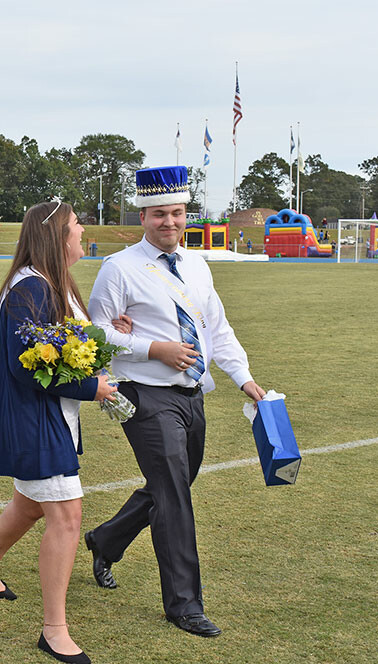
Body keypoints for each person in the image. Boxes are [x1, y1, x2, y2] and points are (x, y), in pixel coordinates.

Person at [84, 166, 266, 638]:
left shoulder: (198, 265)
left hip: (192, 393)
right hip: (144, 395)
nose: (169, 222)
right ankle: (184, 605)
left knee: (174, 486)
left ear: (187, 215)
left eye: (177, 213)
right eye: (159, 214)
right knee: (174, 496)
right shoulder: (119, 267)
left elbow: (216, 330)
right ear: (142, 217)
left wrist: (243, 378)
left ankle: (106, 539)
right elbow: (97, 332)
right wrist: (152, 348)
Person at [0, 201, 116, 664]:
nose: (82, 234)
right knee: (67, 516)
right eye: (76, 228)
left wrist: (104, 338)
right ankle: (54, 630)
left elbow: (64, 344)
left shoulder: (53, 283)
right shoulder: (30, 288)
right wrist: (91, 386)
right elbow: (22, 365)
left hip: (49, 415)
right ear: (56, 237)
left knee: (32, 504)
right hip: (33, 417)